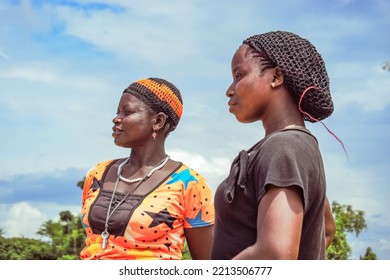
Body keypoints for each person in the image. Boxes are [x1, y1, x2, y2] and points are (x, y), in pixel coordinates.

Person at [210, 31, 336, 260]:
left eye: (239, 75)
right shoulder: (289, 146)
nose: (230, 90)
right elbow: (326, 230)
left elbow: (275, 254)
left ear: (276, 77)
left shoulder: (284, 147)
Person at [80, 77, 214, 260]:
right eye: (117, 111)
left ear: (158, 121)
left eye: (127, 112)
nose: (116, 119)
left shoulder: (188, 183)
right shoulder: (98, 174)